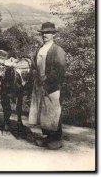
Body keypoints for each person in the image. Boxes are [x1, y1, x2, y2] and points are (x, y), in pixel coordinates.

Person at [29, 22, 67, 150]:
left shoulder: (58, 50)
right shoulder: (40, 49)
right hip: (39, 85)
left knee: (53, 111)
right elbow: (34, 66)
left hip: (52, 86)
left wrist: (47, 78)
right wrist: (36, 75)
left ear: (53, 34)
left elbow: (60, 70)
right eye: (43, 33)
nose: (45, 35)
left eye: (48, 33)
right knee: (44, 112)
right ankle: (48, 137)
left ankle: (57, 139)